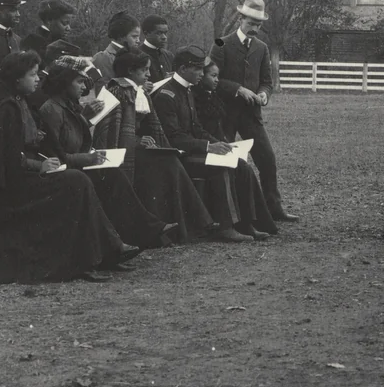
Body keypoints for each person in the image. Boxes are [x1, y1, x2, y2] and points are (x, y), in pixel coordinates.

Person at [0, 50, 136, 283]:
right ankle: (99, 253)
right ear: (17, 79)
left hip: (24, 175)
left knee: (78, 180)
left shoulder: (22, 104)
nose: (37, 79)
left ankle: (102, 252)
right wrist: (40, 166)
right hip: (12, 185)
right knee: (75, 181)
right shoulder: (5, 109)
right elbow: (6, 159)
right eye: (32, 75)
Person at [37, 63, 174, 249]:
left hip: (77, 165)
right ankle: (116, 243)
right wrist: (89, 158)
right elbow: (57, 154)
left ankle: (147, 230)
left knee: (113, 175)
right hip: (63, 171)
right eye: (79, 82)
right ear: (63, 84)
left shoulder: (69, 106)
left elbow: (78, 141)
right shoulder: (51, 110)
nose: (85, 88)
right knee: (102, 182)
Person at [101, 48, 217, 243]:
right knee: (168, 162)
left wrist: (147, 140)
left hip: (136, 149)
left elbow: (149, 126)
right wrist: (139, 142)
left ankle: (191, 222)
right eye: (144, 70)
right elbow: (112, 133)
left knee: (169, 160)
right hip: (123, 153)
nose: (148, 74)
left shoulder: (138, 92)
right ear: (130, 71)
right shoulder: (117, 91)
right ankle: (195, 220)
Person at [210, 0, 298, 221]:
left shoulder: (262, 48)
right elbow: (211, 80)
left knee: (267, 159)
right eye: (250, 23)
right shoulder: (221, 44)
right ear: (240, 19)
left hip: (251, 115)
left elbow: (267, 81)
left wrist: (263, 95)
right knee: (225, 161)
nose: (254, 29)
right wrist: (238, 89)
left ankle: (274, 208)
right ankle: (227, 213)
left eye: (258, 25)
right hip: (224, 113)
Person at [154, 47, 254, 243]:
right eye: (198, 69)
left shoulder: (187, 89)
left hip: (192, 151)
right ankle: (225, 226)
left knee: (241, 165)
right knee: (222, 167)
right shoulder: (167, 94)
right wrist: (208, 146)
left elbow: (197, 128)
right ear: (182, 69)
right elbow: (174, 137)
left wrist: (221, 144)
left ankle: (246, 223)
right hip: (178, 156)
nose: (202, 73)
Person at [192, 57, 279, 240]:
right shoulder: (195, 97)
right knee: (229, 167)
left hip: (212, 144)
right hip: (199, 149)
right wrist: (214, 144)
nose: (217, 80)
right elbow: (196, 130)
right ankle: (228, 225)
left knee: (245, 168)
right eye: (213, 76)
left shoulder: (213, 95)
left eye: (218, 76)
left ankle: (250, 223)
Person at [91, 11, 141, 79]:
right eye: (134, 36)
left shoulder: (136, 55)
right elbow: (99, 86)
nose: (138, 41)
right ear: (121, 37)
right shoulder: (101, 58)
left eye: (138, 37)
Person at [140, 15, 173, 82]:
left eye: (165, 33)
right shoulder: (136, 55)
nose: (164, 37)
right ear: (146, 33)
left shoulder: (169, 56)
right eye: (159, 33)